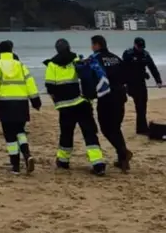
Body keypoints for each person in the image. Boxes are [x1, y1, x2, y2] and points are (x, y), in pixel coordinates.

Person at [44, 39, 105, 176]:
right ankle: (98, 163)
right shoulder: (77, 59)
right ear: (69, 47)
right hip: (81, 103)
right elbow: (86, 78)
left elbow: (50, 86)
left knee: (66, 134)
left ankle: (63, 160)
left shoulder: (52, 65)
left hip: (65, 106)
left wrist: (56, 101)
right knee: (89, 133)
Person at [0, 40, 41, 174]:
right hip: (21, 103)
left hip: (5, 104)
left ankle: (15, 166)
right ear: (11, 50)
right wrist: (36, 101)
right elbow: (30, 83)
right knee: (20, 130)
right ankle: (27, 155)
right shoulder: (20, 65)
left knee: (10, 136)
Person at [86, 35, 133, 172]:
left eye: (92, 44)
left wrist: (90, 94)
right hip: (120, 96)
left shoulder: (95, 59)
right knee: (116, 128)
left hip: (106, 97)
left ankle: (123, 152)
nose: (92, 47)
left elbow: (91, 78)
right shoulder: (116, 58)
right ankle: (123, 160)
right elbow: (126, 76)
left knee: (106, 128)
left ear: (97, 45)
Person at [123, 37, 163, 134]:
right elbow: (124, 69)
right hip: (131, 83)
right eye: (139, 46)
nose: (141, 49)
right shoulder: (128, 54)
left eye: (142, 47)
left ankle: (141, 128)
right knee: (139, 105)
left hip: (141, 83)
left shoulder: (145, 54)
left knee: (143, 105)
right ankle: (142, 128)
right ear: (135, 45)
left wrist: (158, 80)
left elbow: (152, 67)